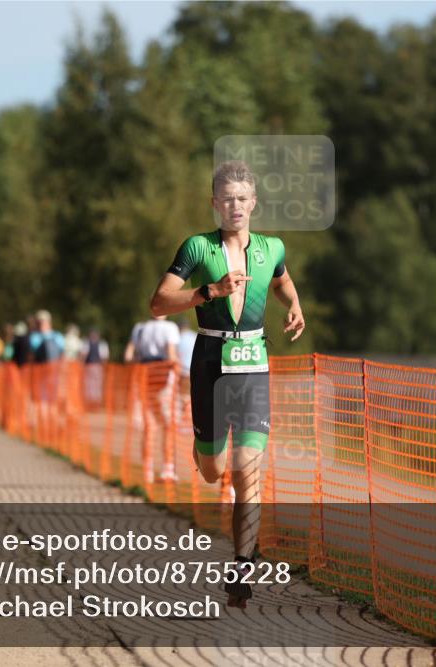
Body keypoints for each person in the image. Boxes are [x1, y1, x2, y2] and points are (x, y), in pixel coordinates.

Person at [149, 160, 305, 608]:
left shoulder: (272, 248)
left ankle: (241, 566)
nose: (235, 206)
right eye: (227, 199)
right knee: (215, 470)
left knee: (247, 469)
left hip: (254, 363)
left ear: (254, 202)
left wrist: (294, 305)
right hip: (210, 362)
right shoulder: (198, 247)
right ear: (215, 203)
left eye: (242, 198)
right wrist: (208, 292)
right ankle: (205, 455)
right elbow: (159, 303)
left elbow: (283, 281)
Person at [125, 315, 180, 483]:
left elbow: (128, 356)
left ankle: (147, 470)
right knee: (169, 424)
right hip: (163, 378)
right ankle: (167, 468)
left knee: (149, 425)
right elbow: (171, 355)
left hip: (144, 377)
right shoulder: (170, 327)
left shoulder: (140, 328)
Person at [80, 329, 109, 408]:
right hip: (92, 366)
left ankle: (94, 402)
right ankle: (92, 402)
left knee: (93, 384)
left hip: (94, 366)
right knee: (91, 384)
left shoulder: (99, 344)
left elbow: (83, 355)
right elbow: (104, 357)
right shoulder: (101, 344)